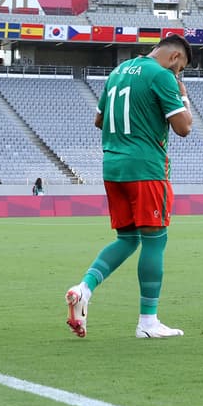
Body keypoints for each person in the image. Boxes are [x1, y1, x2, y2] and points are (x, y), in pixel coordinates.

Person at [65, 34, 193, 339]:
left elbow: (99, 120)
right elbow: (184, 127)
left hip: (114, 166)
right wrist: (183, 96)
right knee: (154, 240)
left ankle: (84, 288)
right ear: (175, 57)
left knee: (127, 238)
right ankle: (148, 322)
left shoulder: (118, 72)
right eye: (181, 69)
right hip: (146, 167)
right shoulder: (162, 76)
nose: (178, 75)